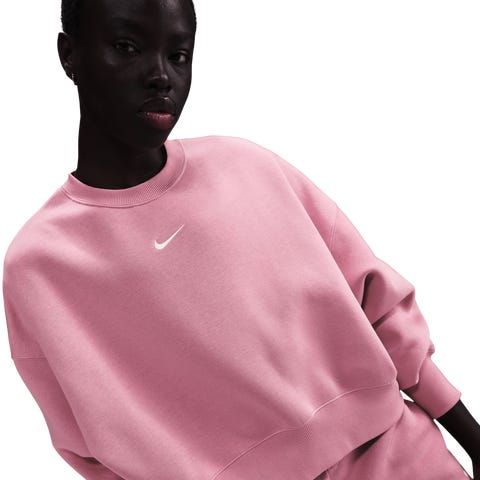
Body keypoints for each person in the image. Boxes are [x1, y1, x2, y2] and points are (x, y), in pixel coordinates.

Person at [2, 0, 479, 479]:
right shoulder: (39, 265)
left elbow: (379, 305)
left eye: (179, 55)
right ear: (69, 54)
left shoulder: (248, 166)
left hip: (404, 460)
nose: (161, 76)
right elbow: (88, 450)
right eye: (128, 47)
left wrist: (474, 440)